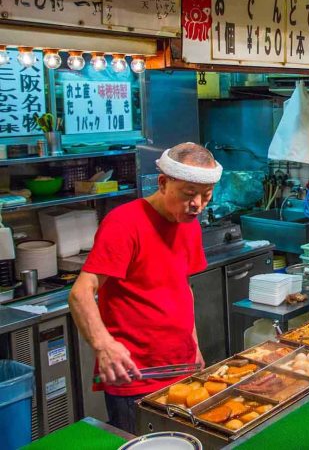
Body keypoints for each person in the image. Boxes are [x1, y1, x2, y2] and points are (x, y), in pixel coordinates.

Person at [69, 143, 222, 434]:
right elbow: (81, 292)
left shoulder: (189, 224)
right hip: (136, 376)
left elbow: (182, 288)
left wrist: (194, 345)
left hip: (181, 367)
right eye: (189, 194)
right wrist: (104, 344)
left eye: (206, 195)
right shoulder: (124, 222)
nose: (198, 205)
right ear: (163, 183)